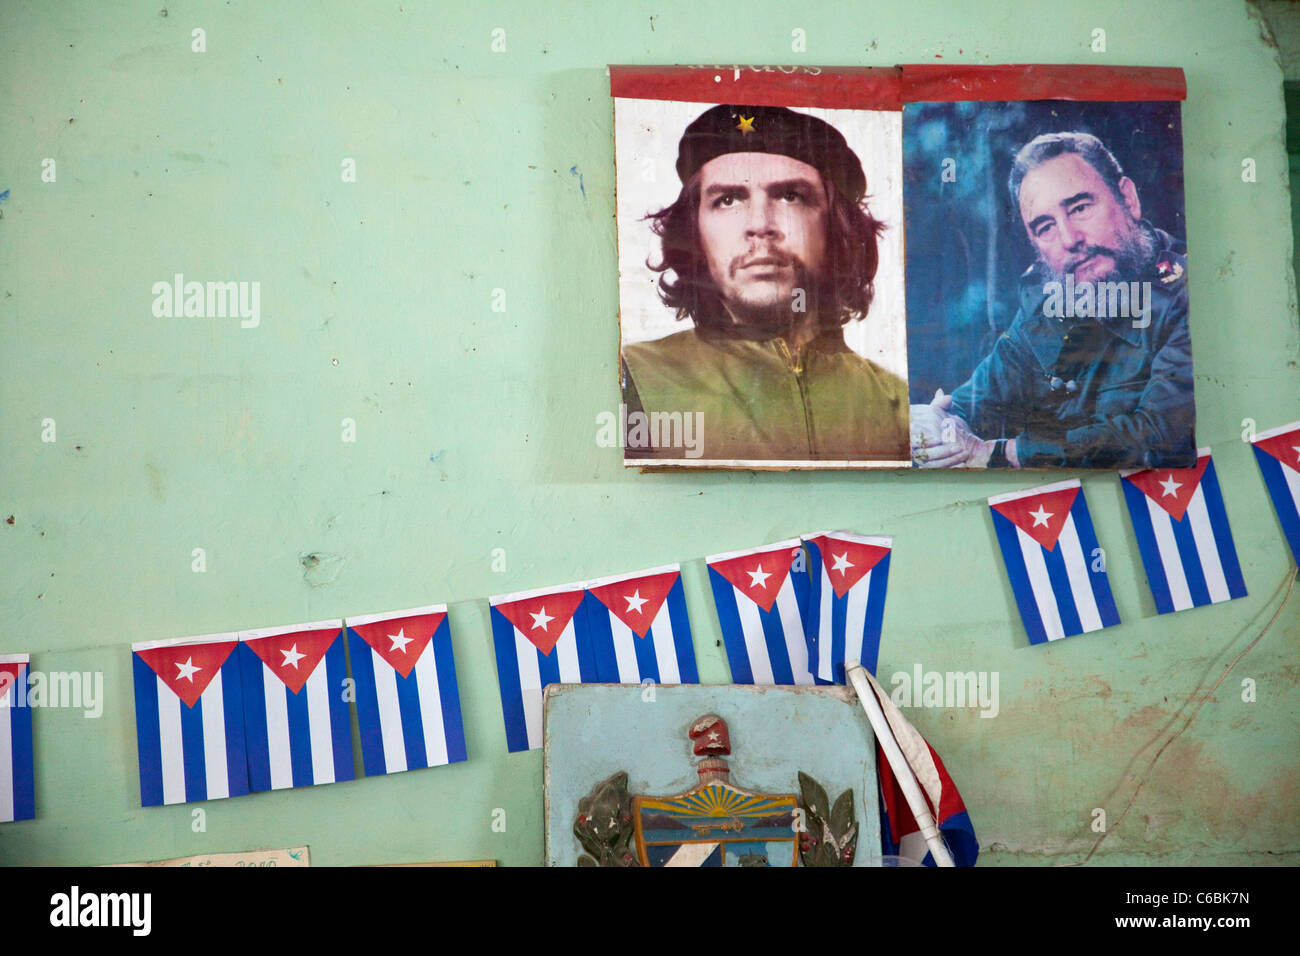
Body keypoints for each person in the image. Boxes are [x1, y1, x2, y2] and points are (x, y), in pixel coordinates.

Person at [621, 104, 909, 463]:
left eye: (790, 196)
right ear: (694, 231)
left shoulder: (899, 408)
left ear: (837, 229)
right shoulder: (633, 380)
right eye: (727, 200)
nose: (760, 224)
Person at [911, 131, 1195, 469]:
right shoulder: (1046, 306)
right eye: (1045, 227)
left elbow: (1160, 436)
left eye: (1080, 208)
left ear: (1128, 199)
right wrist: (935, 422)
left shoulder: (1186, 292)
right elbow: (970, 403)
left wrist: (997, 453)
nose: (1069, 239)